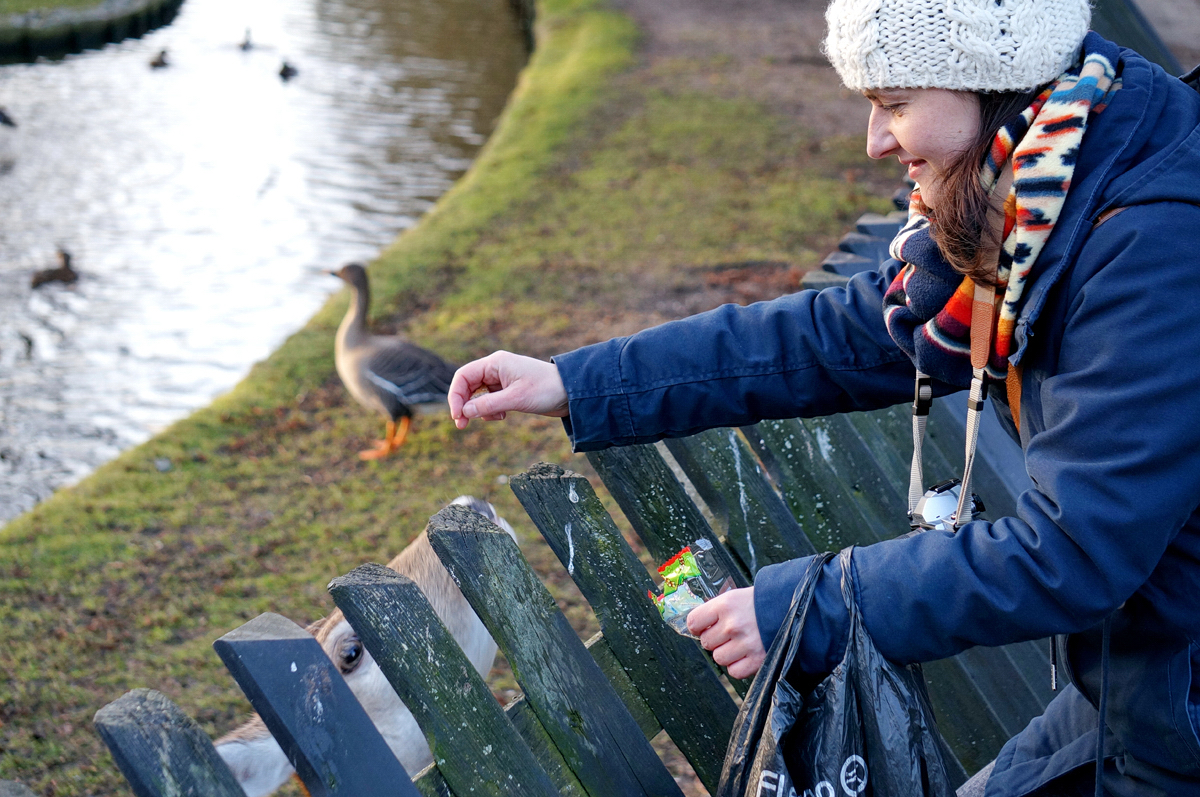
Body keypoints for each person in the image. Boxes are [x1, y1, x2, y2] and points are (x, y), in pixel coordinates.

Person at [448, 0, 1200, 792]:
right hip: (1140, 684)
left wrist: (804, 608)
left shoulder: (1147, 250)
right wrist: (577, 381)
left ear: (996, 85)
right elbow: (841, 333)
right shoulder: (1044, 194)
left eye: (896, 106)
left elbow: (1075, 552)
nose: (875, 141)